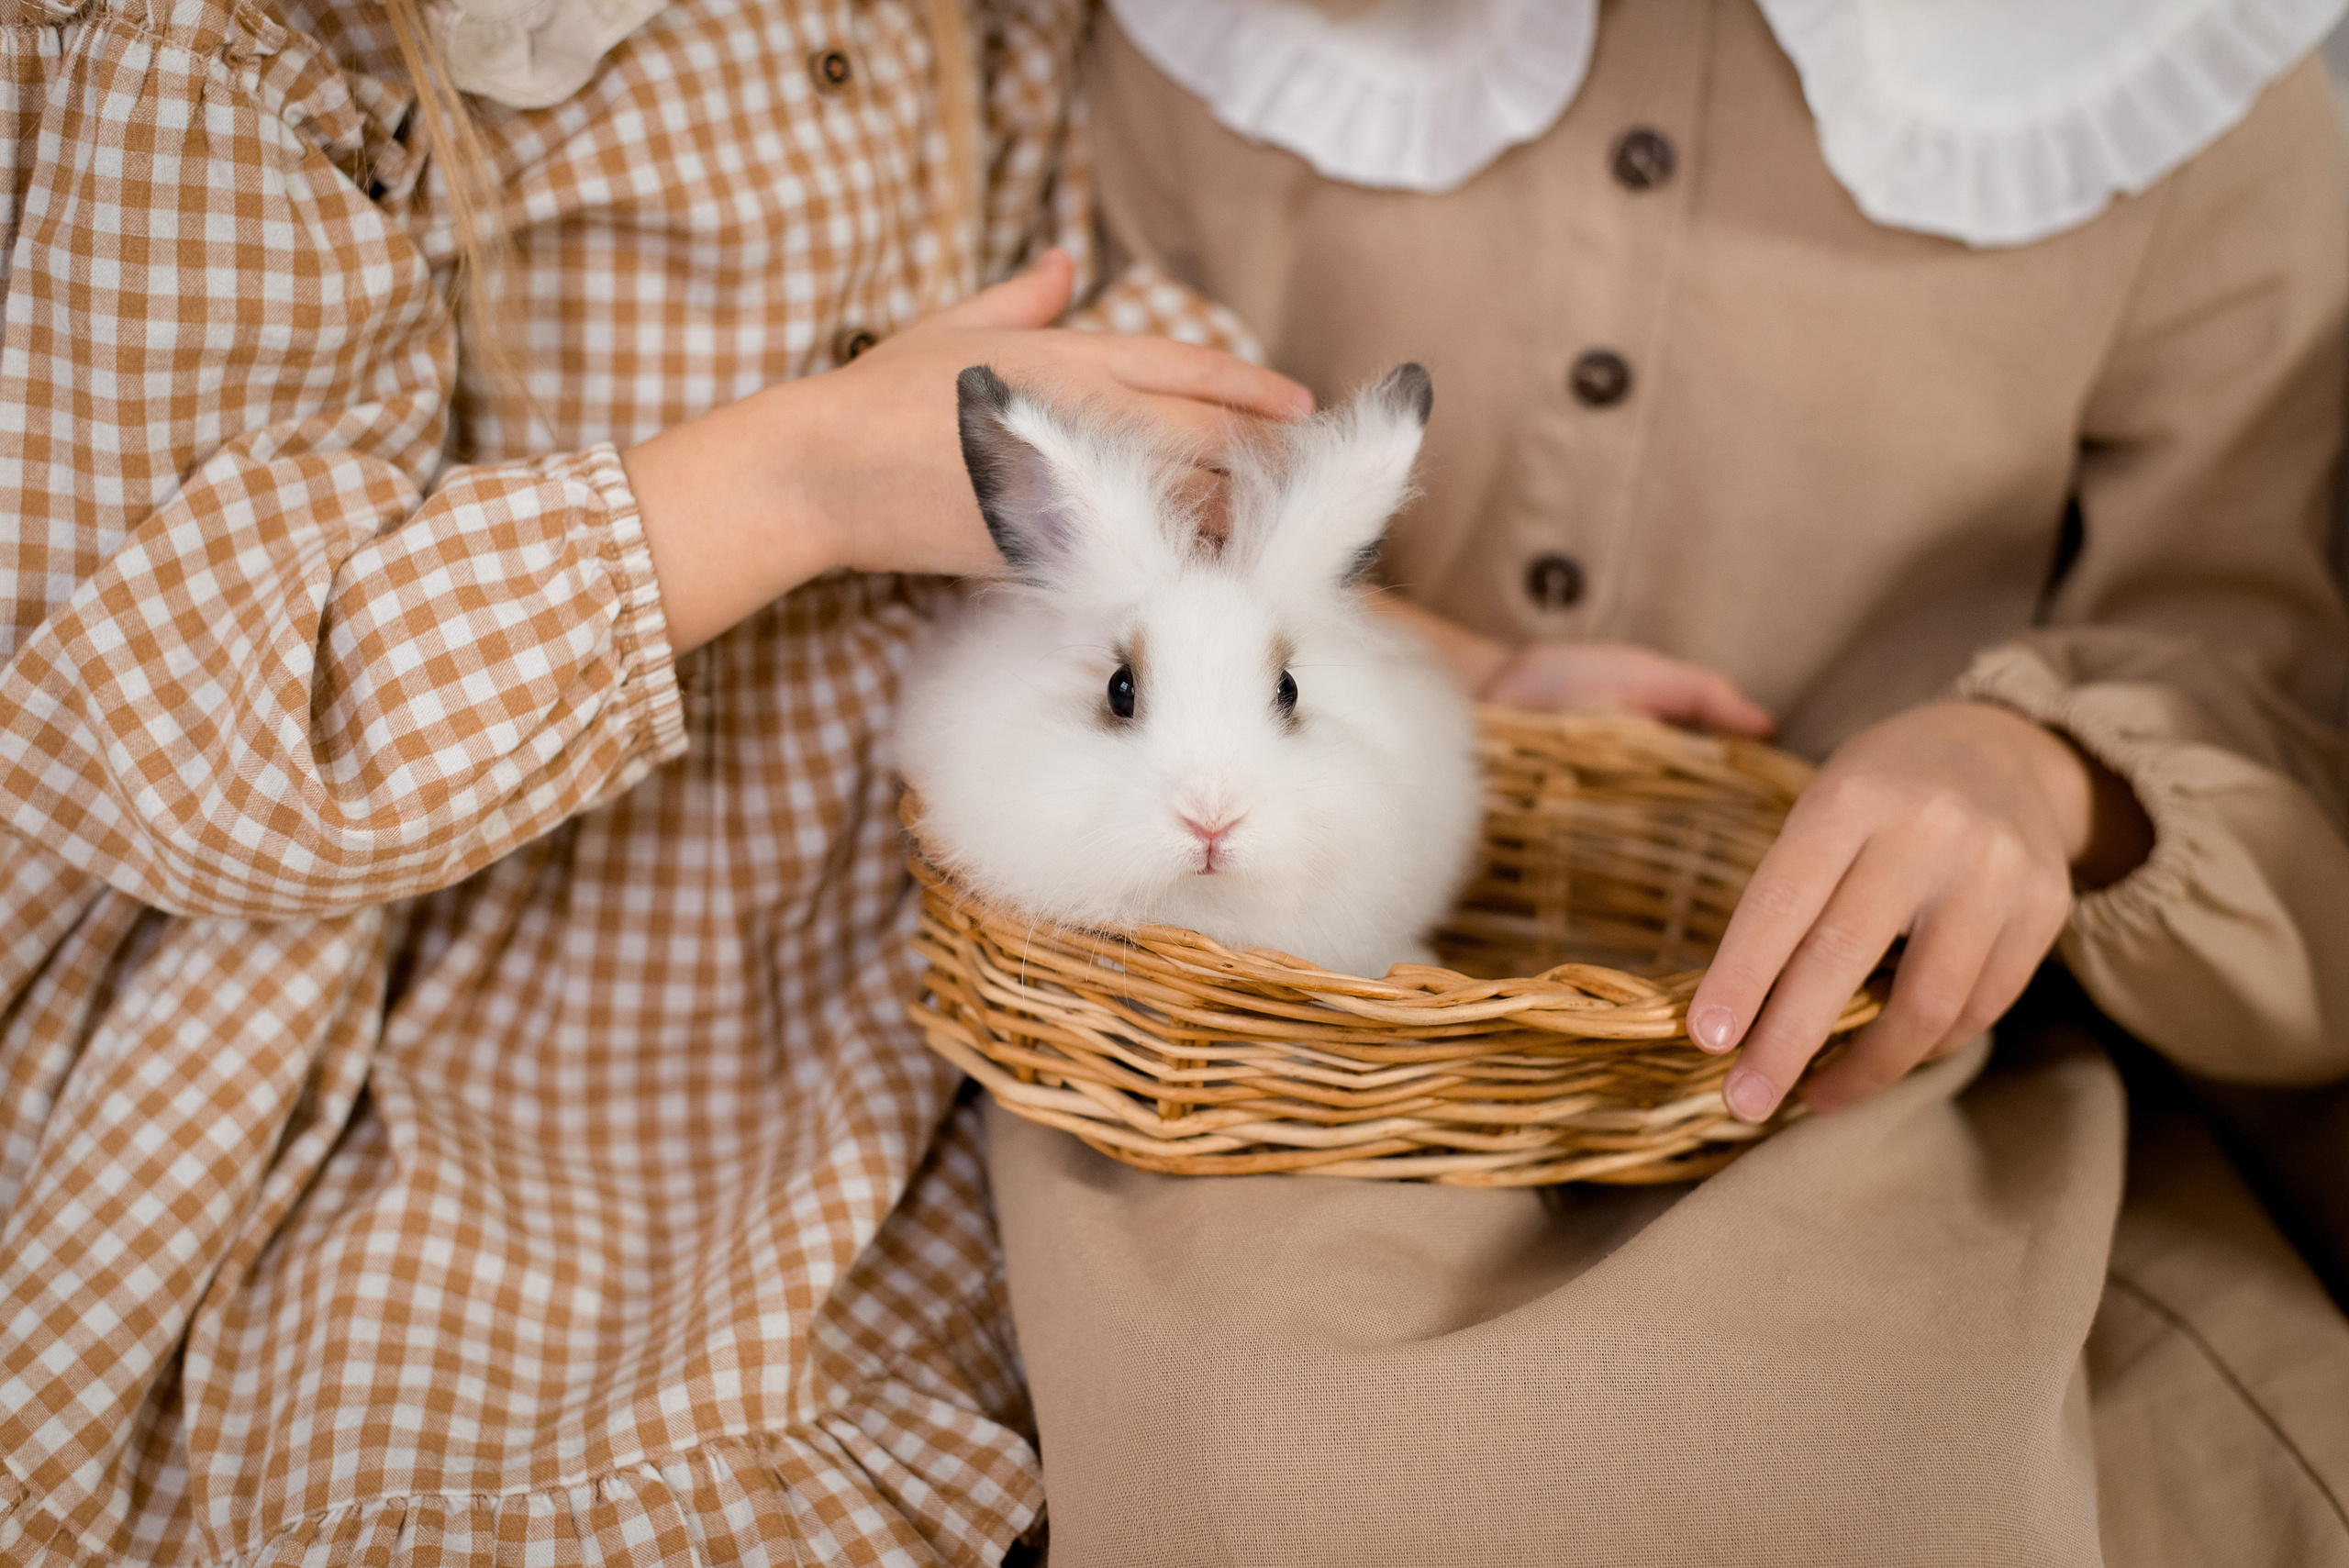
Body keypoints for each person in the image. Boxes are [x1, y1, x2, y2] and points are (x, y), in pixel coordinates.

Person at [978, 2, 2349, 1564]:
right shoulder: (1199, 39)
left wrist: (2038, 767)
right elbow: (1113, 544)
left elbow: (2263, 671)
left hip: (1892, 1067)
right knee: (1293, 1465)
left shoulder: (2171, 67)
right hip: (1245, 1046)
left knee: (1896, 1474)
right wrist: (1443, 667)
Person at [0, 0, 1370, 1559]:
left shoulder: (968, 24)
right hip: (422, 1048)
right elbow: (189, 722)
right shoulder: (243, 42)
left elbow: (1093, 446)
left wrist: (1367, 649)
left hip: (886, 1005)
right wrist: (810, 475)